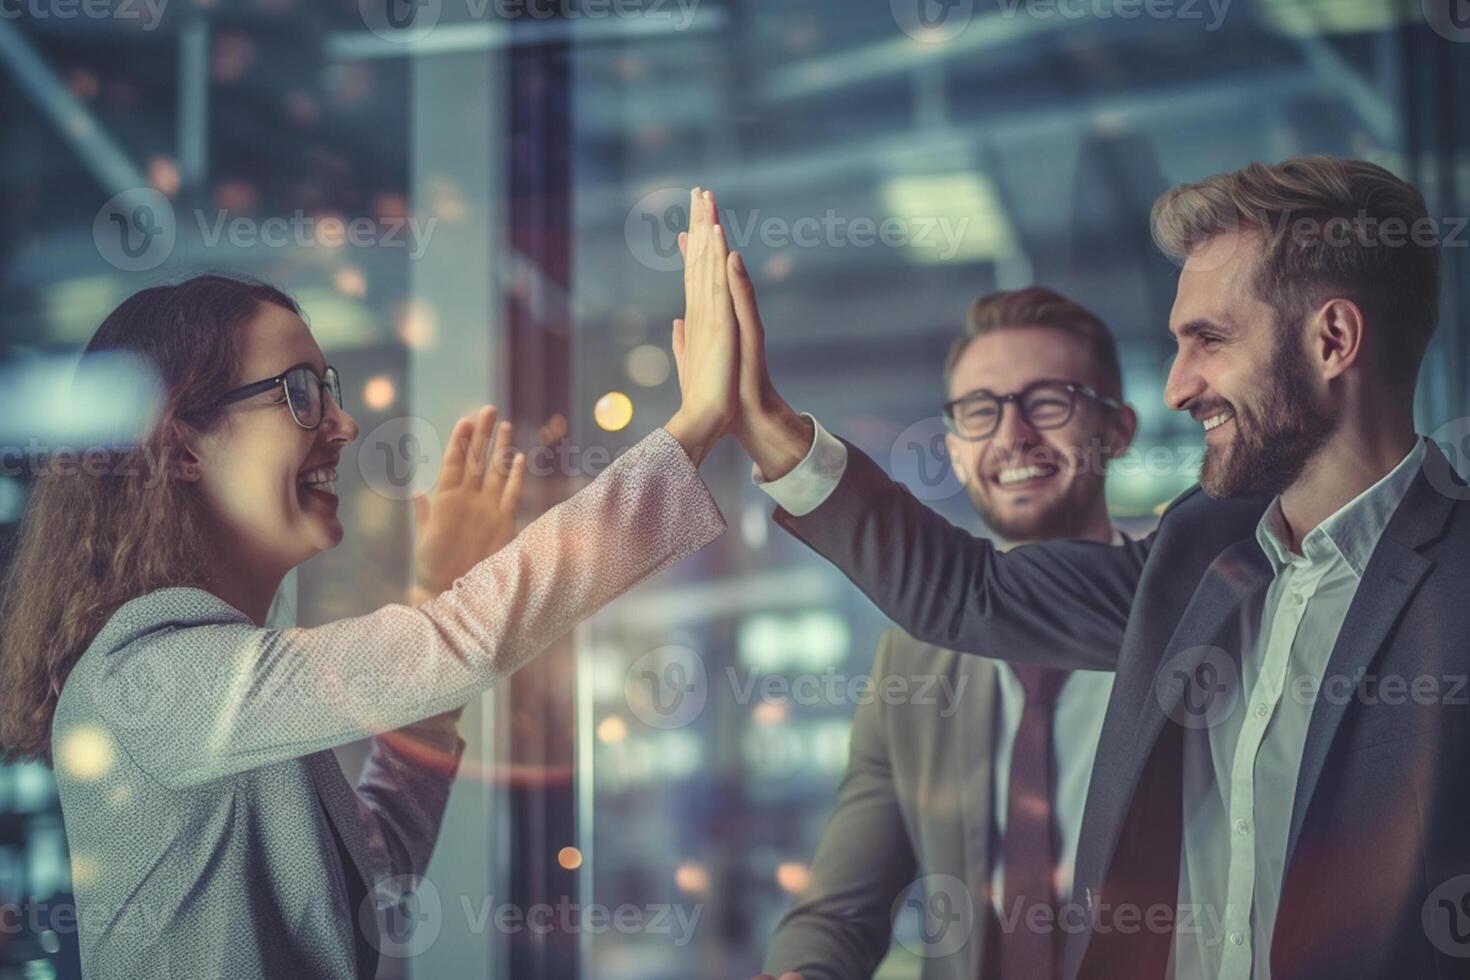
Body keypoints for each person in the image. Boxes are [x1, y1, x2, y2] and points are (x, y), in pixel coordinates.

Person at [721, 156, 1466, 979]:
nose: (1181, 386)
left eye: (1209, 341)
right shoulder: (1203, 559)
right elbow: (966, 592)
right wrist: (765, 424)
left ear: (1332, 339)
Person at [0, 187, 737, 979]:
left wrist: (442, 595)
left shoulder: (222, 678)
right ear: (182, 447)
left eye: (331, 388)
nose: (344, 425)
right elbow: (457, 644)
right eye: (299, 393)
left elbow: (373, 887)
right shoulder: (146, 673)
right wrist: (693, 425)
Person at [757, 287, 1134, 980]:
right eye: (980, 411)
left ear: (1117, 430)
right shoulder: (914, 660)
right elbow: (841, 910)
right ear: (956, 449)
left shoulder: (1179, 618)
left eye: (1048, 401)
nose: (1012, 435)